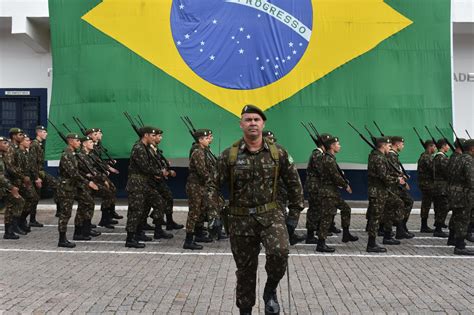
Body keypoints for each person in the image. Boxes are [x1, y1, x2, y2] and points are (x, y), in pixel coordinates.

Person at [218, 105, 304, 315]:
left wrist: (293, 216)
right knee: (245, 270)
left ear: (263, 124)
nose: (253, 123)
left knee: (280, 252)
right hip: (240, 219)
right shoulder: (229, 155)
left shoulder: (278, 153)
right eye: (248, 120)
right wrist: (217, 213)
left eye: (256, 119)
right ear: (241, 124)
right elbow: (212, 186)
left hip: (271, 215)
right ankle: (245, 310)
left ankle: (270, 289)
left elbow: (295, 185)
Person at [124, 126, 167, 248]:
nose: (154, 138)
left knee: (159, 202)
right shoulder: (138, 148)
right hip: (137, 184)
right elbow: (145, 167)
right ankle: (130, 238)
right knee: (135, 210)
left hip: (146, 183)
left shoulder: (146, 148)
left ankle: (143, 232)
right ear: (146, 135)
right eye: (152, 135)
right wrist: (159, 172)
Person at [56, 133, 99, 248]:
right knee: (65, 213)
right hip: (66, 187)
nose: (79, 142)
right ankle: (62, 239)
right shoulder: (66, 155)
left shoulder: (74, 154)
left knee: (85, 203)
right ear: (70, 141)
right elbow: (73, 173)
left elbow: (77, 171)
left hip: (73, 186)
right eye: (77, 141)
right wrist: (87, 182)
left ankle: (79, 231)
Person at [317, 135, 358, 252]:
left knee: (346, 209)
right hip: (328, 192)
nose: (340, 146)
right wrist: (346, 186)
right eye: (338, 144)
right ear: (331, 146)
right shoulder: (328, 159)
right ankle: (321, 243)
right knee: (326, 217)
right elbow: (335, 176)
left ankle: (346, 234)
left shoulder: (330, 158)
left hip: (332, 192)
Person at [366, 137, 406, 253]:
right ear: (383, 146)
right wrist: (397, 180)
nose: (390, 147)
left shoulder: (380, 156)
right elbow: (383, 176)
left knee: (396, 203)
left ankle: (388, 235)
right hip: (377, 191)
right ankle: (371, 244)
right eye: (389, 146)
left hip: (383, 191)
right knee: (375, 217)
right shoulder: (378, 158)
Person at [183, 129, 214, 250]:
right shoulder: (198, 152)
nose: (209, 140)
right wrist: (213, 181)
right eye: (206, 138)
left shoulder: (203, 151)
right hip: (195, 186)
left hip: (201, 185)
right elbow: (203, 172)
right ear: (200, 140)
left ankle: (199, 234)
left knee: (201, 211)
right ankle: (188, 240)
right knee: (194, 212)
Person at [446, 139, 474, 255]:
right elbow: (471, 180)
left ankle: (453, 239)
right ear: (472, 149)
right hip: (464, 194)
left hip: (454, 193)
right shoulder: (468, 160)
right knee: (463, 219)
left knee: (457, 217)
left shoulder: (457, 158)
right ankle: (460, 246)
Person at [29, 125, 58, 227]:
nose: (46, 134)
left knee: (36, 197)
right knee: (34, 198)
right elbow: (32, 163)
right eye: (44, 132)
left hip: (39, 172)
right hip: (35, 174)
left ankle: (32, 220)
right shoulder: (34, 145)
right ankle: (30, 220)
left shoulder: (40, 144)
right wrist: (36, 177)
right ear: (39, 133)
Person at [386, 136, 414, 239]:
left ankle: (401, 227)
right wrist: (402, 180)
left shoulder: (393, 155)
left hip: (396, 184)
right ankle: (400, 227)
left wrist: (403, 177)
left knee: (405, 203)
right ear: (397, 144)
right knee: (403, 203)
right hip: (394, 186)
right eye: (402, 144)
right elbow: (393, 172)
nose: (403, 146)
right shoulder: (391, 156)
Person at [0, 136, 24, 239]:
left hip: (4, 186)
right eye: (4, 143)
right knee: (15, 202)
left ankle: (9, 231)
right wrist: (11, 187)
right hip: (5, 185)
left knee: (12, 204)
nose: (7, 145)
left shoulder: (3, 156)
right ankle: (10, 229)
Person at [417, 139, 436, 232]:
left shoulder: (425, 156)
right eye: (434, 146)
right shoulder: (427, 157)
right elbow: (433, 170)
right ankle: (424, 226)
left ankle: (424, 225)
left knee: (426, 204)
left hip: (426, 183)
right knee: (426, 204)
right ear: (430, 147)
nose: (435, 148)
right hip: (427, 184)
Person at [432, 139, 451, 237]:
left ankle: (439, 225)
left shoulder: (437, 157)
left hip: (438, 185)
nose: (449, 147)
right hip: (442, 186)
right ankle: (438, 228)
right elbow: (447, 172)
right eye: (447, 145)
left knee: (440, 207)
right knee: (443, 207)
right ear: (443, 146)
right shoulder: (441, 158)